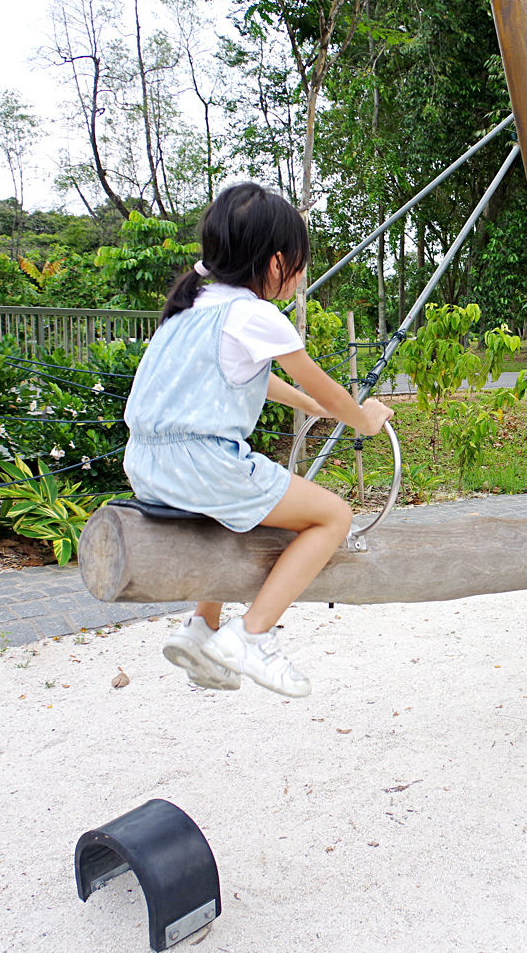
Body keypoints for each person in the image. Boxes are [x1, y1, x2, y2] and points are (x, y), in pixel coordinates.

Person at [122, 182, 392, 698]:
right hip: (205, 464)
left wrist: (308, 407)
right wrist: (364, 420)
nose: (299, 274)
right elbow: (327, 388)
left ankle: (201, 627)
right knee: (334, 516)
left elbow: (248, 375)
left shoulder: (189, 308)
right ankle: (251, 635)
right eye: (299, 263)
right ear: (275, 263)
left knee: (227, 514)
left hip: (147, 465)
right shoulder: (255, 314)